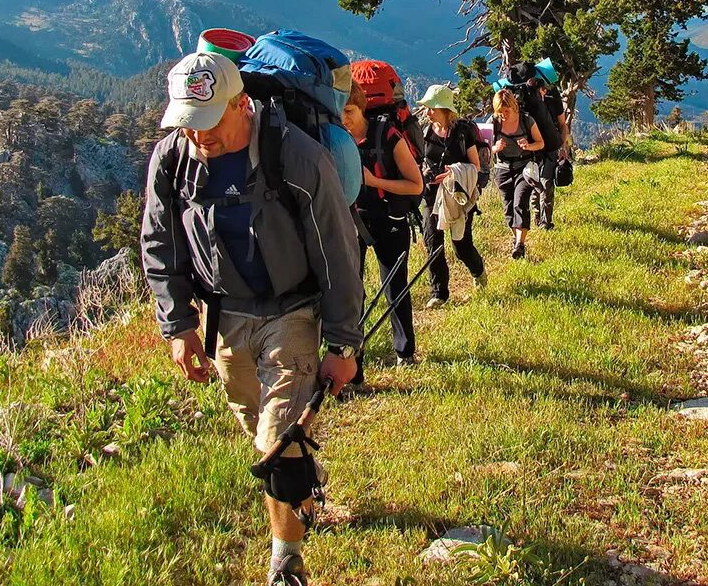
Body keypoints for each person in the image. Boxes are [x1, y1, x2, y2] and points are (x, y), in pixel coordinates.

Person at [140, 50, 363, 586]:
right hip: (225, 317)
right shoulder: (173, 158)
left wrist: (344, 345)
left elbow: (337, 248)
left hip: (292, 312)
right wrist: (178, 325)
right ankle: (303, 483)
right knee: (252, 421)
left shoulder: (297, 156)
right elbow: (158, 241)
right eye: (188, 124)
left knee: (276, 441)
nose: (199, 137)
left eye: (209, 121)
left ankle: (285, 559)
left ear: (241, 104)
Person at [342, 82, 424, 366]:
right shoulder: (337, 138)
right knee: (352, 292)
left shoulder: (387, 135)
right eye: (339, 111)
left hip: (389, 218)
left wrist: (375, 182)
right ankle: (353, 364)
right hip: (351, 219)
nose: (345, 118)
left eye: (349, 110)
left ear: (361, 107)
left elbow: (416, 185)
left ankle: (405, 353)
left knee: (395, 285)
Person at [416, 84, 488, 309]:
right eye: (427, 108)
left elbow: (475, 166)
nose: (428, 113)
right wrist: (425, 174)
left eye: (432, 108)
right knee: (432, 242)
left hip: (458, 196)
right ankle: (439, 293)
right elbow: (417, 160)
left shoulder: (462, 133)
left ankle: (478, 271)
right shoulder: (424, 132)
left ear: (445, 110)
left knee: (461, 245)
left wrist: (452, 172)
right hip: (431, 196)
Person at [491, 88, 544, 259]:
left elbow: (540, 143)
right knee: (508, 209)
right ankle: (517, 241)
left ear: (513, 106)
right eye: (500, 111)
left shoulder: (527, 121)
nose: (503, 115)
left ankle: (520, 244)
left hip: (524, 167)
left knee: (519, 202)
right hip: (503, 169)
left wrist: (528, 146)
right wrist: (494, 148)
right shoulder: (493, 122)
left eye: (506, 111)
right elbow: (483, 150)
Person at [532, 80, 570, 230]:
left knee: (546, 185)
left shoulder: (553, 102)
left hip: (550, 149)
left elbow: (562, 125)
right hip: (533, 150)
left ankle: (545, 222)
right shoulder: (527, 105)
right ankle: (538, 218)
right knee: (536, 185)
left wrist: (562, 145)